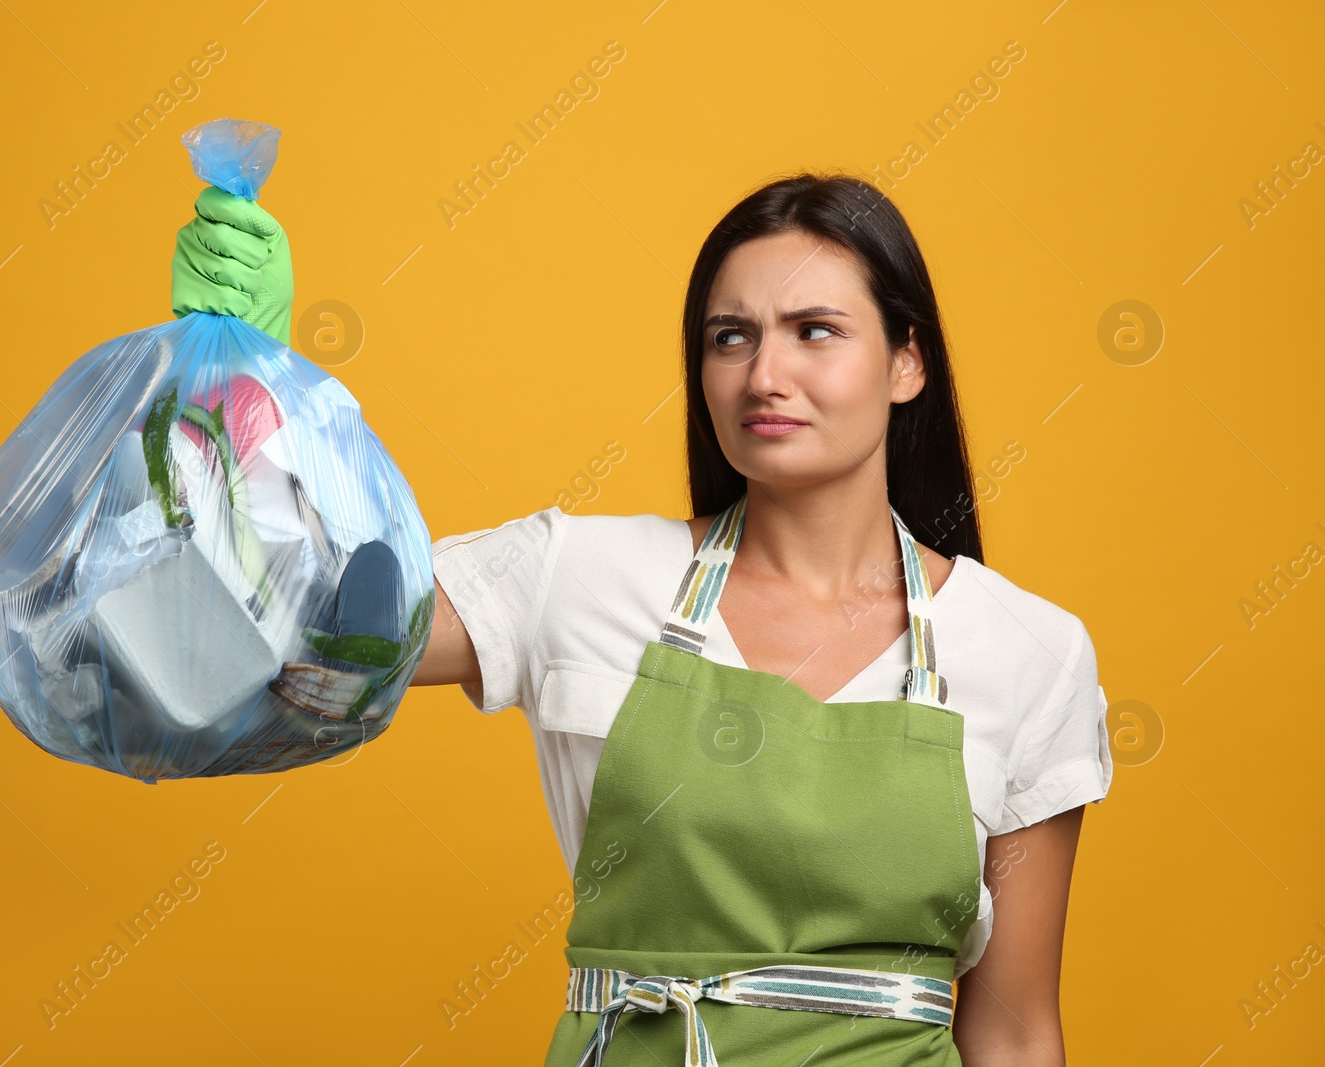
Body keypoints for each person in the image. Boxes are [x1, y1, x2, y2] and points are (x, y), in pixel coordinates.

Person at [171, 174, 1113, 1066]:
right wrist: (242, 393)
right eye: (730, 337)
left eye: (814, 331)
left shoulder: (1030, 651)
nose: (763, 374)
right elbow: (314, 631)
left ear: (907, 361)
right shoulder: (570, 574)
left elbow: (1016, 1034)